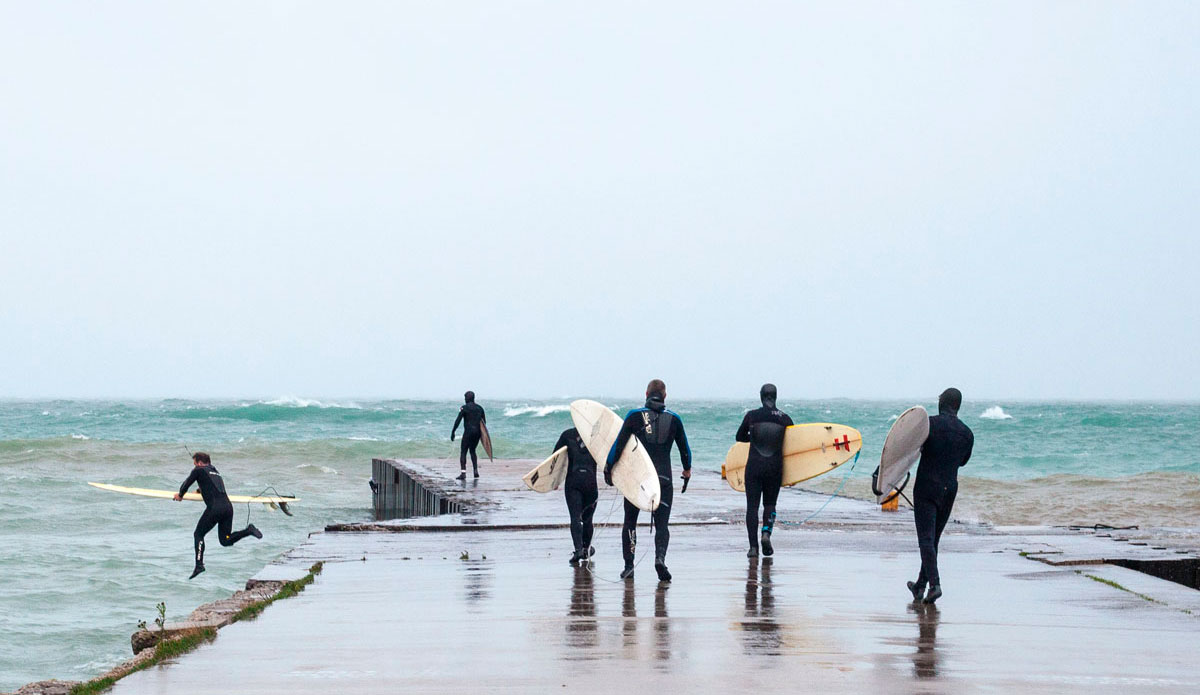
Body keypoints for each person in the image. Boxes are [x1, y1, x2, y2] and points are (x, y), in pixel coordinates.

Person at [605, 379, 691, 582]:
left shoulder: (634, 416)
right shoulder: (675, 419)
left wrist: (609, 469)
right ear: (665, 396)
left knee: (630, 522)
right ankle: (660, 559)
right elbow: (685, 450)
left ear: (646, 394)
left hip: (638, 481)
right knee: (662, 525)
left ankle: (629, 566)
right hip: (664, 480)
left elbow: (618, 446)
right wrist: (687, 471)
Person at [907, 388, 973, 604]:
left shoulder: (930, 425)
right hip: (949, 489)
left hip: (926, 486)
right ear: (957, 406)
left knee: (925, 539)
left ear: (941, 403)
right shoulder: (967, 434)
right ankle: (920, 585)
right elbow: (963, 462)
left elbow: (910, 449)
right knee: (933, 539)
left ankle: (934, 585)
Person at [174, 452, 262, 579]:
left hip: (215, 509)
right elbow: (211, 485)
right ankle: (249, 530)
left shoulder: (198, 470)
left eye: (194, 464)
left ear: (199, 463)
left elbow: (186, 483)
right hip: (228, 508)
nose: (194, 467)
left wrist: (180, 495)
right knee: (225, 540)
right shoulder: (215, 471)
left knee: (198, 535)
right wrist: (199, 491)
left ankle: (199, 565)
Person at [735, 383, 794, 557]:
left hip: (754, 466)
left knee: (752, 507)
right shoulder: (785, 418)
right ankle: (766, 533)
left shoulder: (752, 416)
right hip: (775, 467)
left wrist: (753, 439)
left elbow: (739, 437)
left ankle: (753, 548)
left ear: (761, 397)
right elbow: (794, 444)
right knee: (770, 504)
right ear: (775, 397)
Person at [553, 427, 598, 564]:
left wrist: (554, 480)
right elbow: (608, 458)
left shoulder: (567, 435)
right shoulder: (597, 437)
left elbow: (555, 458)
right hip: (591, 483)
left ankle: (578, 549)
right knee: (588, 519)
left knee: (575, 517)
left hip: (573, 481)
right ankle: (586, 548)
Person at [450, 391, 486, 480]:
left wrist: (453, 432)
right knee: (473, 451)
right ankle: (475, 471)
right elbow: (484, 423)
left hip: (468, 432)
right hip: (477, 433)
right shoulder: (480, 408)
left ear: (468, 398)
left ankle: (463, 473)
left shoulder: (464, 408)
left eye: (465, 397)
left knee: (463, 451)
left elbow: (457, 420)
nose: (465, 399)